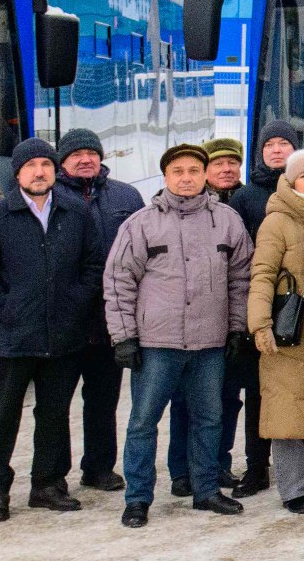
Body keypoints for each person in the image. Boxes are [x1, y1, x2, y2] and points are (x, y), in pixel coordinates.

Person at [105, 141, 254, 527]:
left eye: (193, 171)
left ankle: (205, 490)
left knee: (209, 419)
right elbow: (119, 280)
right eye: (178, 172)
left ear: (204, 175)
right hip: (158, 343)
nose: (186, 179)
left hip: (209, 343)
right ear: (165, 176)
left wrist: (237, 328)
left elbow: (241, 278)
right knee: (143, 421)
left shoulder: (227, 221)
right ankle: (138, 498)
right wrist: (123, 337)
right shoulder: (140, 223)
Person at [0, 137, 103, 521]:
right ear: (18, 173)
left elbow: (93, 266)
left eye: (46, 164)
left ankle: (46, 484)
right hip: (13, 337)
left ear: (55, 171)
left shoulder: (75, 211)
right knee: (5, 415)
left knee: (55, 414)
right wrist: (6, 309)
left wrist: (74, 305)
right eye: (31, 166)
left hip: (64, 334)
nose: (39, 172)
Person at [203, 121, 298, 497]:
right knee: (247, 392)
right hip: (253, 311)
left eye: (284, 144)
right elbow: (239, 265)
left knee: (278, 394)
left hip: (294, 309)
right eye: (269, 144)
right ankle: (254, 467)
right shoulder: (245, 198)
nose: (276, 150)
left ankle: (286, 470)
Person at [56, 127, 146, 494]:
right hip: (64, 320)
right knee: (54, 404)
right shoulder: (49, 194)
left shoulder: (126, 196)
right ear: (62, 160)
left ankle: (98, 467)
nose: (85, 159)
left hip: (111, 321)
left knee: (103, 401)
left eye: (91, 153)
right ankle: (52, 473)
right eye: (76, 154)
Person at [249, 149, 304, 514]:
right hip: (288, 330)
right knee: (287, 411)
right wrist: (259, 324)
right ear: (291, 181)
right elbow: (262, 274)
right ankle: (293, 489)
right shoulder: (276, 221)